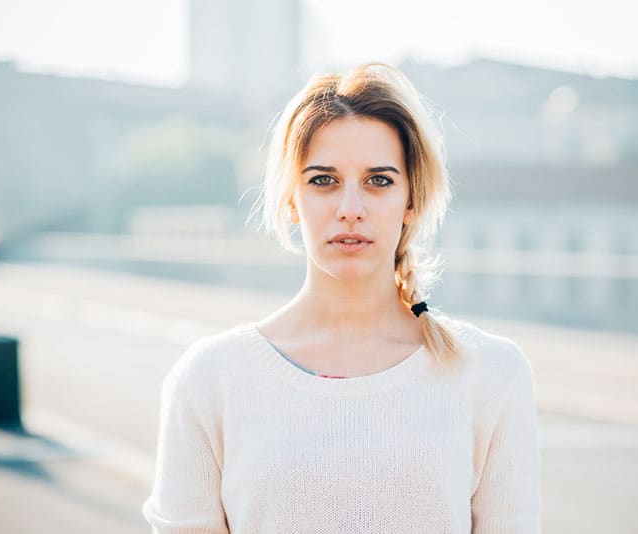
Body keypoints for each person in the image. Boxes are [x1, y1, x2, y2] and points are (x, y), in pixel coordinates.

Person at [142, 63, 541, 533]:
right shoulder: (209, 380)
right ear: (292, 198)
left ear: (411, 198)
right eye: (323, 181)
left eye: (379, 181)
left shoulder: (491, 373)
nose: (350, 210)